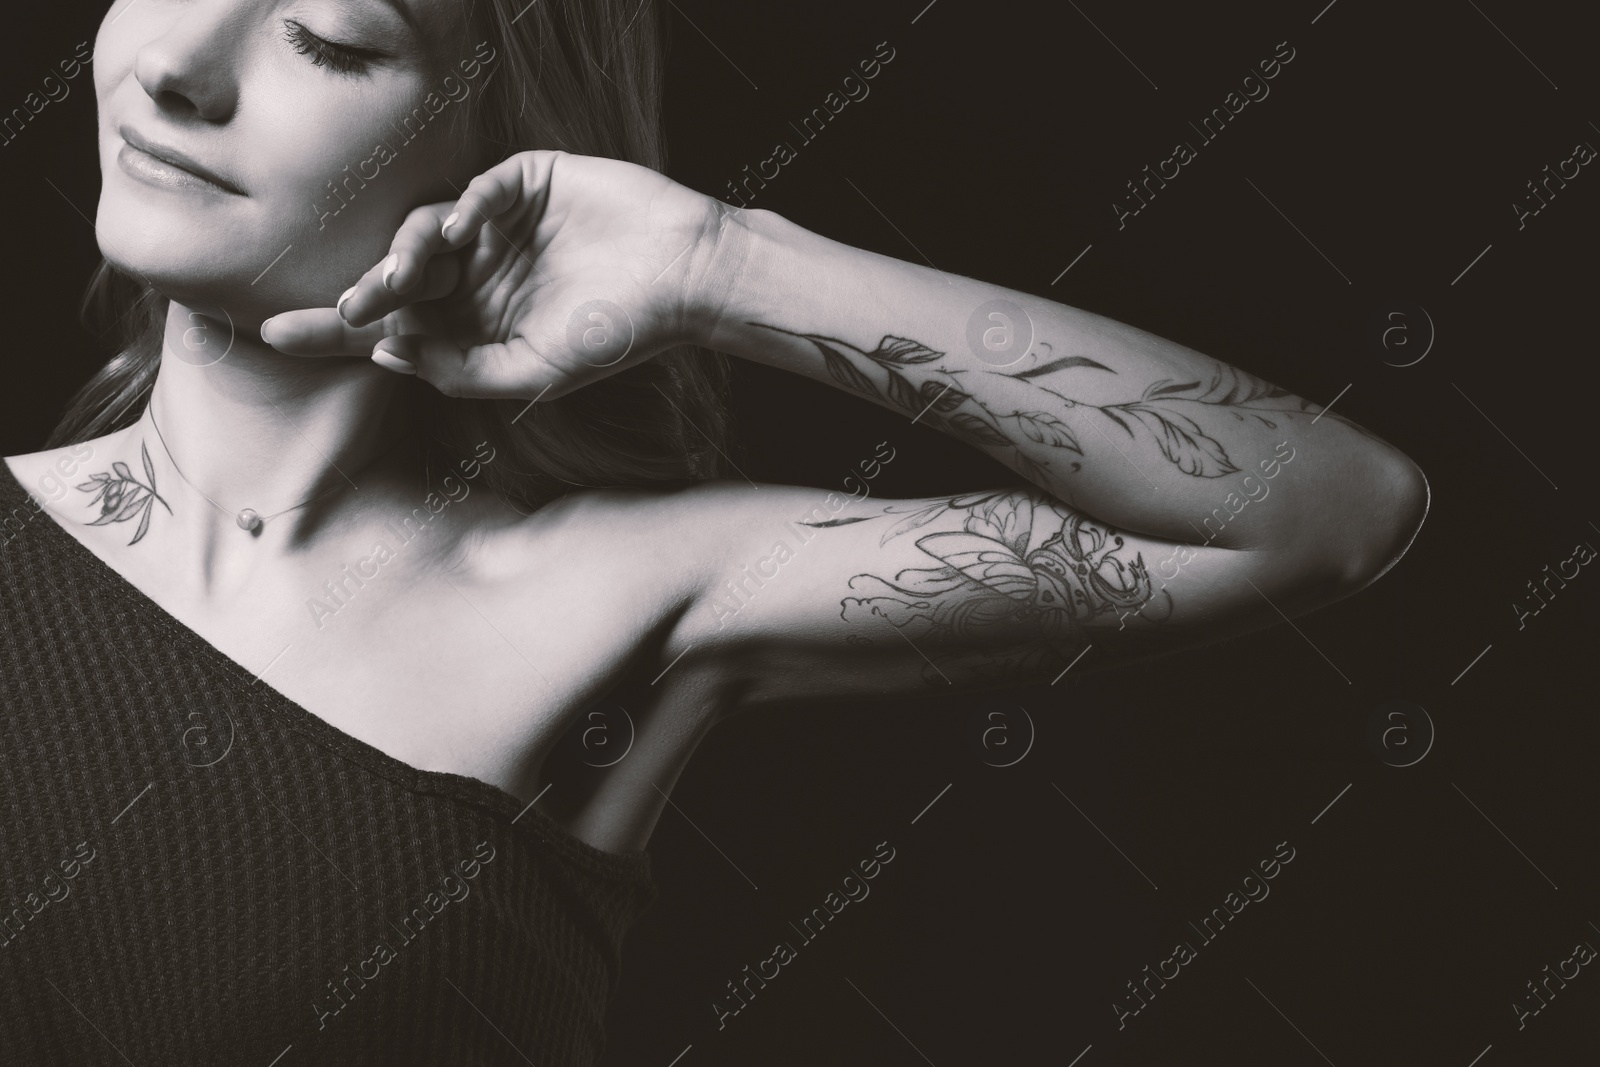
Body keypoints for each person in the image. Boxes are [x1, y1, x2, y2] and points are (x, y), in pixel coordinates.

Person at [0, 0, 1428, 1063]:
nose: (180, 65)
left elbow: (1320, 513)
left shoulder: (632, 598)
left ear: (503, 135)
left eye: (324, 35)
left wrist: (721, 265)